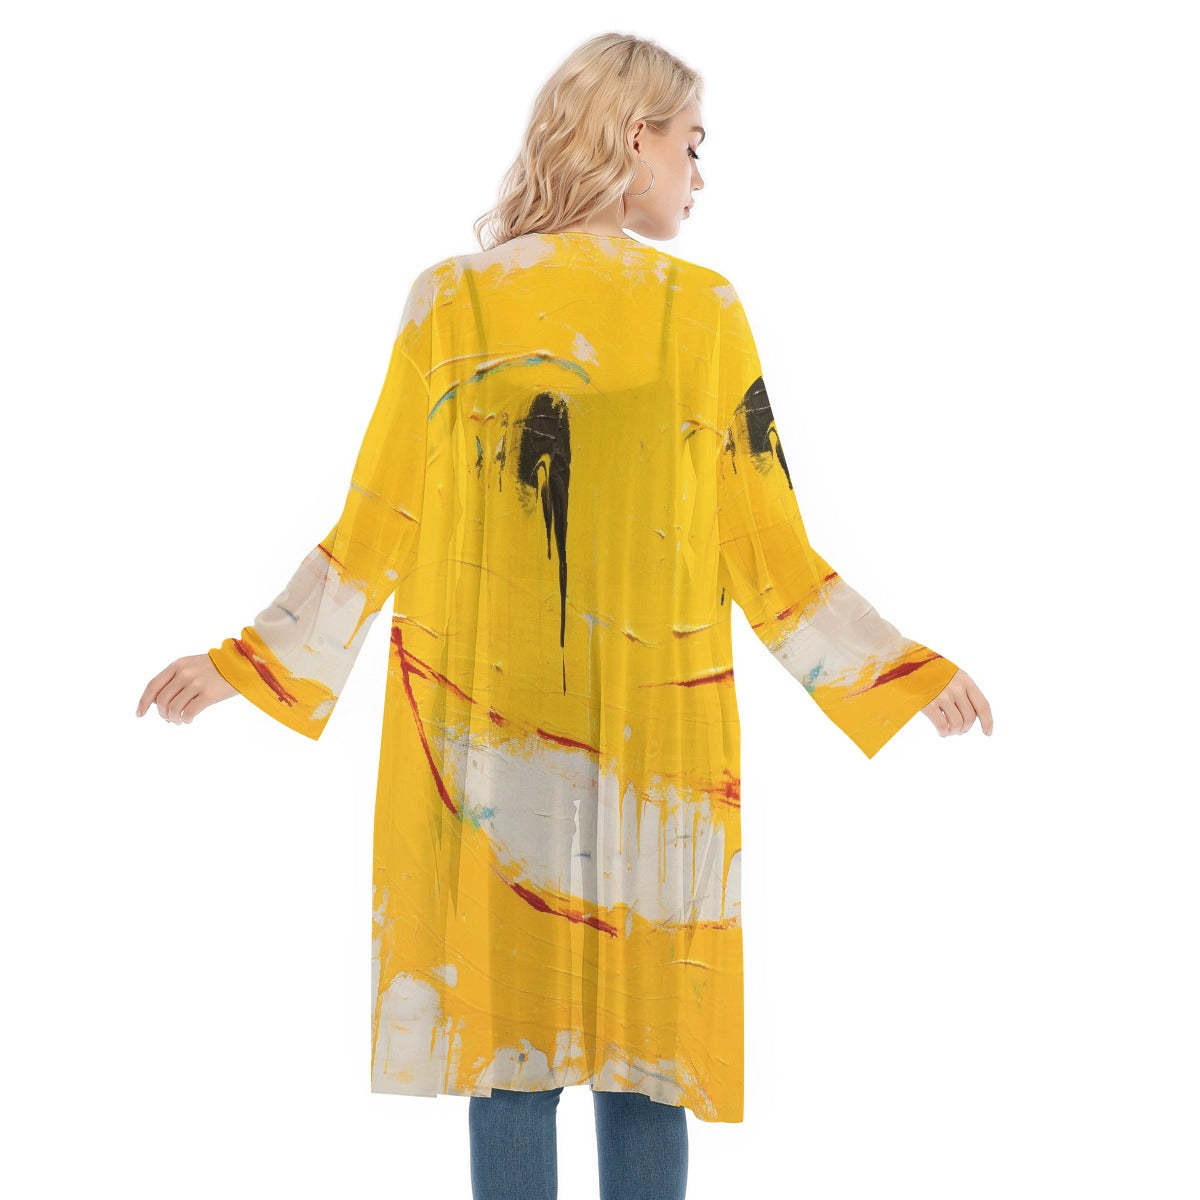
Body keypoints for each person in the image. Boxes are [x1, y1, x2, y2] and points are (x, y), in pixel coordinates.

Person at [136, 30, 991, 1200]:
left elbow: (376, 524)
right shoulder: (690, 311)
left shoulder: (463, 301)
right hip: (645, 749)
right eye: (692, 144)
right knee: (640, 1062)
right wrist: (894, 670)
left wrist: (252, 660)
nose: (700, 173)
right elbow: (769, 554)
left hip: (496, 743)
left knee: (517, 1055)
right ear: (635, 139)